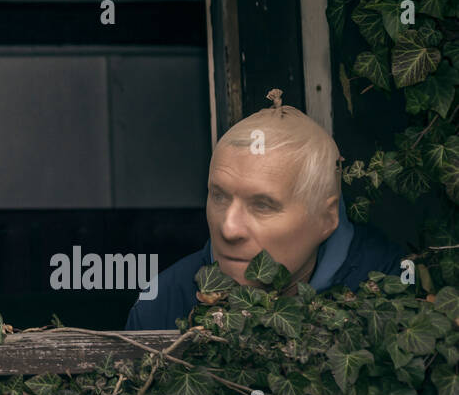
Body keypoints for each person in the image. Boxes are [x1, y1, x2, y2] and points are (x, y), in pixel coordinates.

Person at [125, 90, 403, 331]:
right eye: (219, 197)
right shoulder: (162, 304)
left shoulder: (389, 288)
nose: (229, 228)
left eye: (262, 205)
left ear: (326, 218)